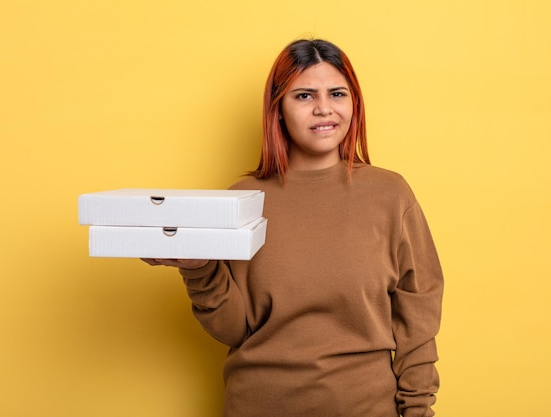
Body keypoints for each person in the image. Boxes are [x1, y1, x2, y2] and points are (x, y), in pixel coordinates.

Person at [142, 39, 444, 417]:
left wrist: (418, 409)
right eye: (304, 95)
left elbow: (419, 316)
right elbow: (235, 329)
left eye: (337, 93)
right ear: (278, 110)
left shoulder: (390, 195)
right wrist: (197, 267)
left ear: (355, 103)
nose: (324, 109)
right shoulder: (242, 199)